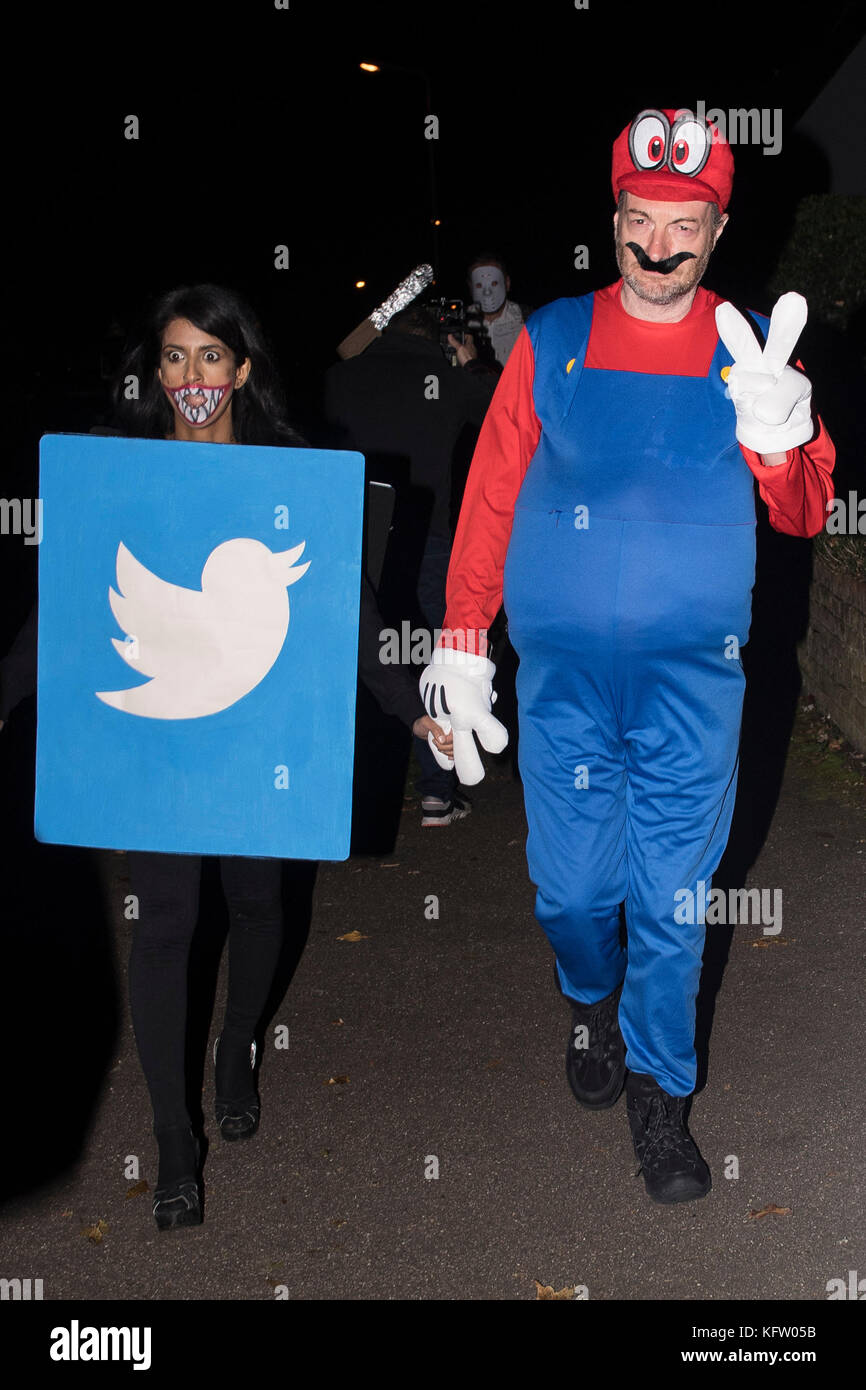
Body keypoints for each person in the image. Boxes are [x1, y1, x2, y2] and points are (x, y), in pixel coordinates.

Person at [420, 108, 835, 1204]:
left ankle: (660, 1094)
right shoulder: (552, 337)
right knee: (571, 892)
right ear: (612, 218)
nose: (658, 246)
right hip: (560, 682)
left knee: (672, 901)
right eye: (638, 221)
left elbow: (801, 510)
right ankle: (586, 998)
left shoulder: (749, 349)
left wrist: (782, 438)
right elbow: (492, 494)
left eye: (683, 226)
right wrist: (461, 638)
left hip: (692, 685)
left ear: (716, 228)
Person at [0, 283, 452, 1231]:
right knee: (164, 925)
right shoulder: (120, 472)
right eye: (174, 356)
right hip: (161, 739)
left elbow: (350, 619)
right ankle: (174, 1142)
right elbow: (64, 613)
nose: (193, 375)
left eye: (212, 356)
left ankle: (238, 1044)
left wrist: (418, 713)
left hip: (262, 740)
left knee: (256, 902)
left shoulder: (289, 478)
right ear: (154, 372)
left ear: (243, 370)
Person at [324, 303, 496, 826]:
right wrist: (468, 363)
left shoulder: (342, 378)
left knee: (359, 653)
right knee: (429, 657)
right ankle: (437, 790)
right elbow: (502, 407)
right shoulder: (442, 378)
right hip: (427, 538)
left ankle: (343, 793)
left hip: (357, 538)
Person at [466, 254, 530, 367]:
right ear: (471, 287)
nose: (487, 292)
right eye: (479, 285)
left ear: (507, 283)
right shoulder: (460, 322)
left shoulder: (528, 322)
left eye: (494, 283)